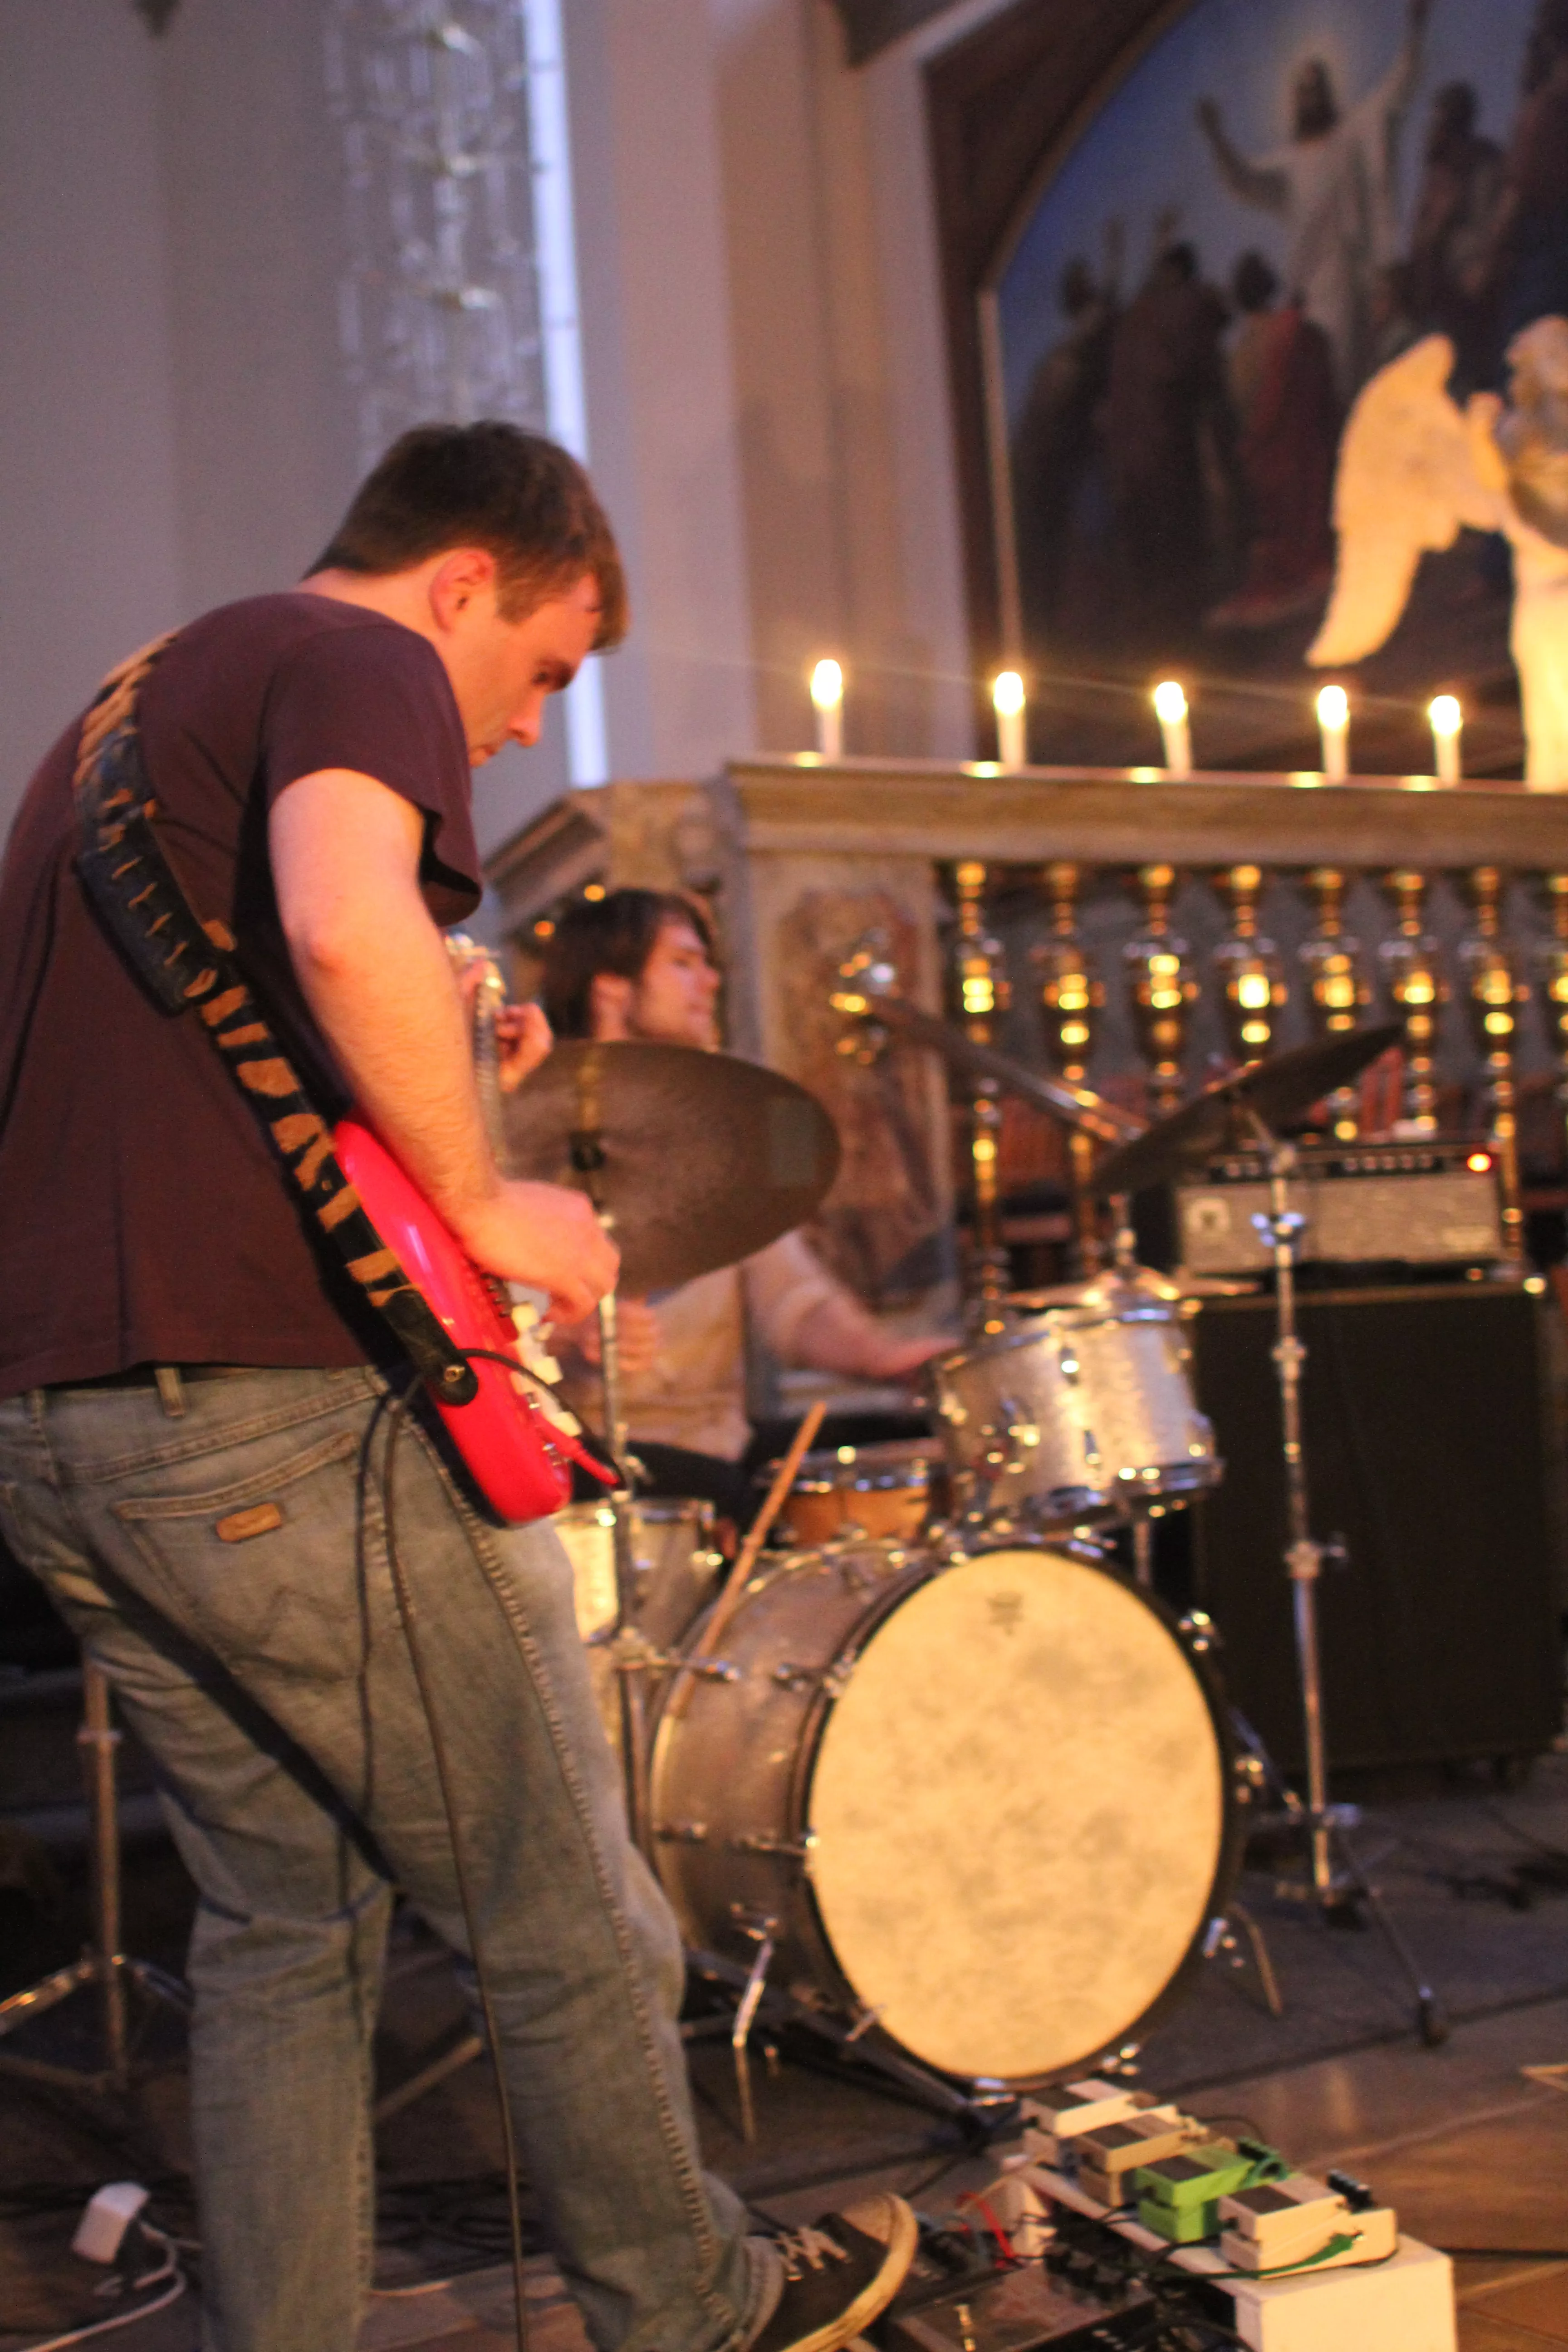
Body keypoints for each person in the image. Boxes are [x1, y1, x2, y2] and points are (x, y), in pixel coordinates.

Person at [0, 424, 916, 2352]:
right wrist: (494, 1197)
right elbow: (345, 917)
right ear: (466, 582)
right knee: (567, 1894)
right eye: (552, 664)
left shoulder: (120, 709)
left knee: (286, 1931)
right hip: (268, 1416)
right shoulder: (359, 657)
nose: (513, 724)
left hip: (68, 1429)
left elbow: (239, 1020)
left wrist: (431, 1064)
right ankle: (697, 2301)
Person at [538, 889, 948, 1524]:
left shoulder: (715, 1130)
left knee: (916, 1456)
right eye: (683, 963)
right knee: (724, 1492)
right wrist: (569, 1338)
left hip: (718, 1446)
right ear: (611, 987)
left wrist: (883, 1358)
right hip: (578, 1453)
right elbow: (478, 1324)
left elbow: (792, 1298)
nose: (711, 981)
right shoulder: (525, 1130)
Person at [1196, 0, 1431, 398]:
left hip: (1355, 277)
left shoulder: (1355, 133)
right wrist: (1217, 139)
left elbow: (1400, 83)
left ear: (1328, 91)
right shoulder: (1287, 166)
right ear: (1295, 102)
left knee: (1367, 376)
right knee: (1325, 383)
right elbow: (1243, 179)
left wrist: (1416, 29)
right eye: (1303, 90)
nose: (1310, 95)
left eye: (1316, 86)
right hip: (1314, 291)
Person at [1205, 250, 1339, 632]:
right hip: (1297, 452)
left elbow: (1248, 403)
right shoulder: (1295, 332)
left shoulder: (1251, 347)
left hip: (1278, 452)